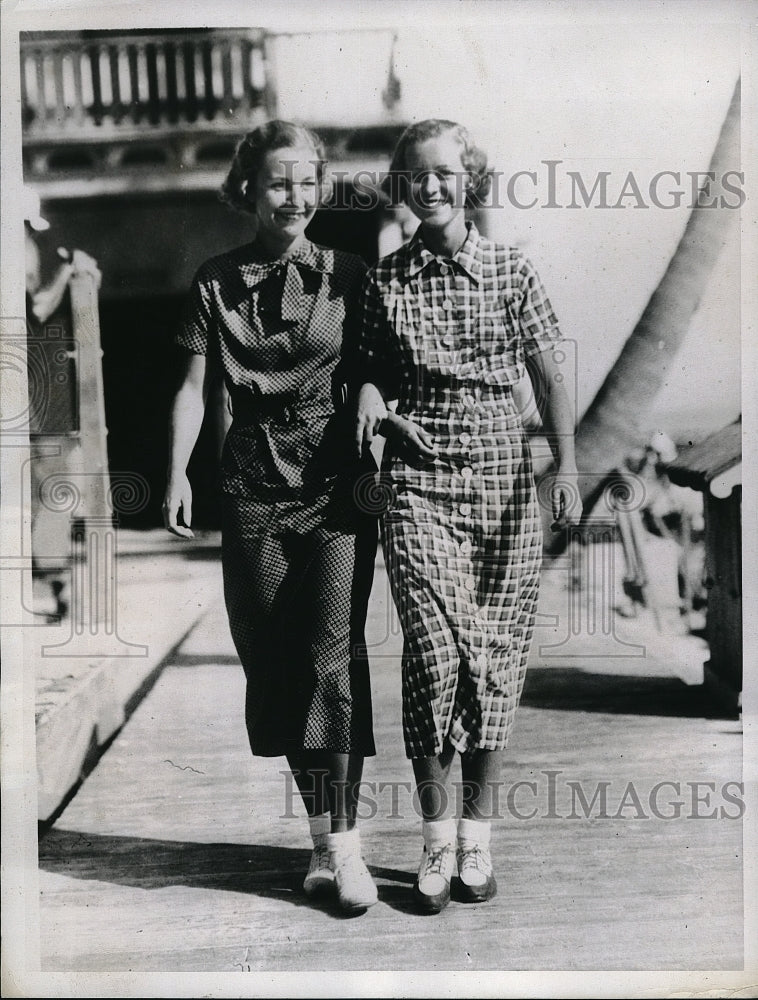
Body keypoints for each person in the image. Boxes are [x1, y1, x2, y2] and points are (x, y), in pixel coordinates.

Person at [355, 118, 581, 913]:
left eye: (445, 172)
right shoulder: (386, 281)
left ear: (469, 178)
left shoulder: (511, 269)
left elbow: (552, 374)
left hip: (506, 491)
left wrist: (568, 470)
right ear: (403, 186)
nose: (432, 186)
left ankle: (477, 844)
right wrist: (377, 406)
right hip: (418, 487)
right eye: (416, 175)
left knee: (494, 666)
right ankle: (434, 842)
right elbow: (367, 374)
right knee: (434, 656)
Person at [163, 121, 379, 913]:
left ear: (321, 187)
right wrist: (179, 472)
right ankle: (322, 841)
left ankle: (343, 850)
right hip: (250, 490)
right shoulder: (213, 281)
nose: (293, 196)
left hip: (337, 491)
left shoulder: (351, 275)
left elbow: (371, 370)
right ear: (248, 188)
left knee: (330, 660)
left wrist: (372, 398)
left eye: (306, 180)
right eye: (277, 181)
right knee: (276, 665)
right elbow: (195, 388)